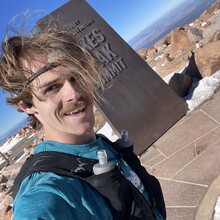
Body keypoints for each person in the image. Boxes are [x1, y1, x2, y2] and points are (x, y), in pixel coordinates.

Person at [0, 19, 166, 220]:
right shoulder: (48, 191)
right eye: (52, 88)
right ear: (27, 105)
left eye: (76, 77)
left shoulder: (97, 144)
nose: (74, 93)